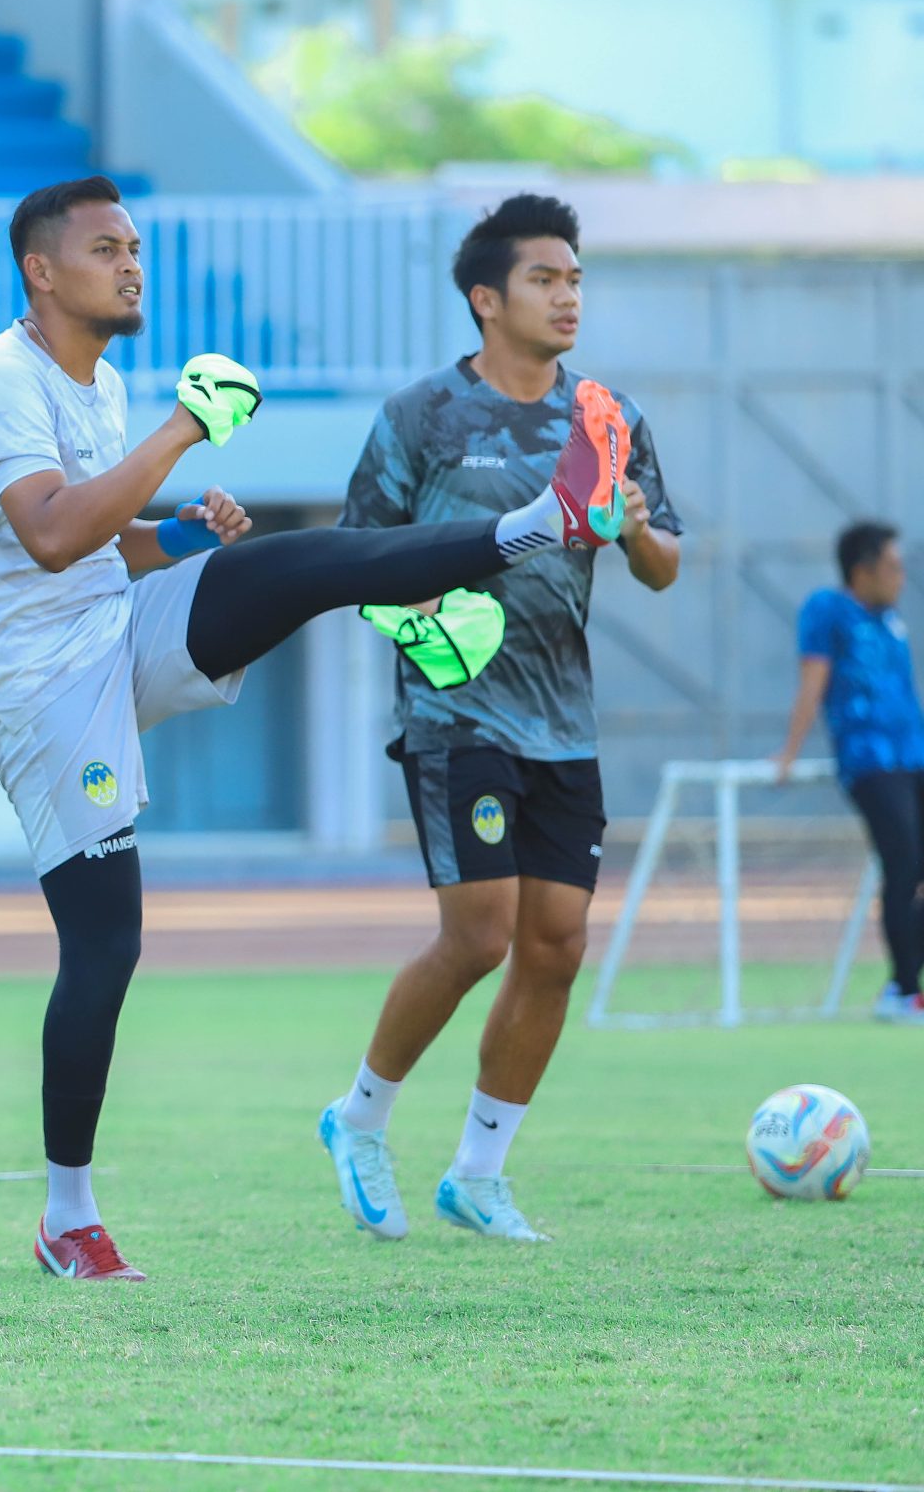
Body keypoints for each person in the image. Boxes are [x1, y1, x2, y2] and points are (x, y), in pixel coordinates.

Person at [0, 176, 591, 1281]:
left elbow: (88, 545)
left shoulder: (103, 382)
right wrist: (183, 432)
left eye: (133, 246)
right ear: (41, 270)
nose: (130, 264)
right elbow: (43, 537)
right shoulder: (0, 380)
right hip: (29, 687)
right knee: (105, 944)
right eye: (103, 248)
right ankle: (65, 1215)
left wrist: (172, 536)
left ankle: (528, 528)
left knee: (296, 563)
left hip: (107, 625)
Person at [319, 193, 683, 1245]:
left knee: (557, 946)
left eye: (574, 279)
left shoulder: (606, 419)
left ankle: (478, 1171)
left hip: (561, 720)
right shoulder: (419, 418)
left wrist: (632, 529)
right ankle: (359, 1117)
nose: (567, 296)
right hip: (454, 710)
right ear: (485, 299)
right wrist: (419, 617)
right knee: (478, 933)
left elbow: (661, 568)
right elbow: (355, 562)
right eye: (543, 279)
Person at [775, 520, 924, 1024]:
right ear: (862, 570)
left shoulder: (891, 620)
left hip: (914, 755)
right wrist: (789, 752)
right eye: (892, 566)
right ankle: (903, 991)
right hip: (871, 760)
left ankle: (910, 986)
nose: (901, 576)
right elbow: (812, 680)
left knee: (919, 866)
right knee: (903, 861)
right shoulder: (827, 609)